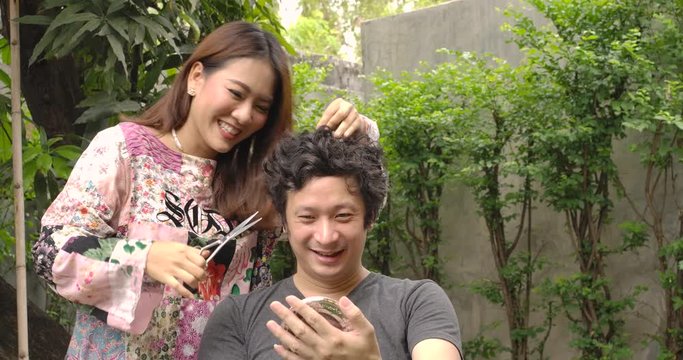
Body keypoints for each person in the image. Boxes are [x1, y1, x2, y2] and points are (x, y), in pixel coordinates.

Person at [31, 21, 378, 359]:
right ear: (196, 77)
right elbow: (51, 250)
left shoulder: (265, 177)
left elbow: (350, 213)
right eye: (236, 93)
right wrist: (144, 257)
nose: (244, 115)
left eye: (261, 107)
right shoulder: (124, 151)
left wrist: (358, 135)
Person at [198, 128, 462, 360]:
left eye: (343, 216)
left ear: (368, 218)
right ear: (285, 222)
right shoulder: (238, 317)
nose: (326, 236)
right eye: (307, 217)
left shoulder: (417, 303)